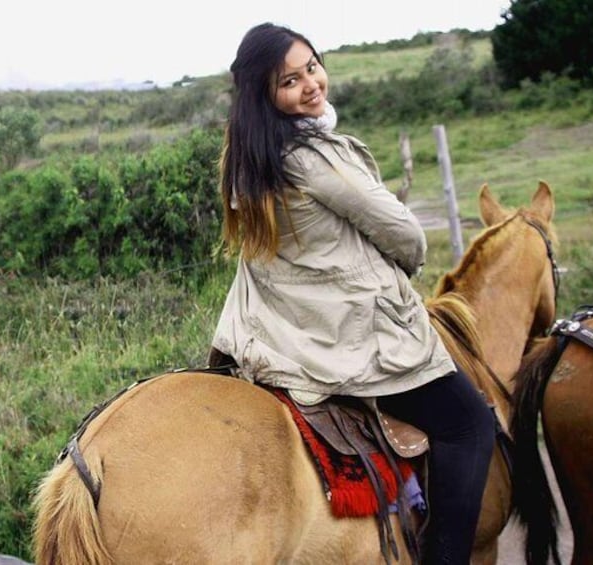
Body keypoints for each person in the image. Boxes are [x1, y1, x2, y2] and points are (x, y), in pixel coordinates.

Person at [210, 22, 495, 564]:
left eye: (312, 66)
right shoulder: (313, 155)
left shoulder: (246, 160)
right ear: (265, 96)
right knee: (470, 424)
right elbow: (403, 233)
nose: (310, 84)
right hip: (344, 335)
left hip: (277, 330)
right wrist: (407, 265)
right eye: (289, 81)